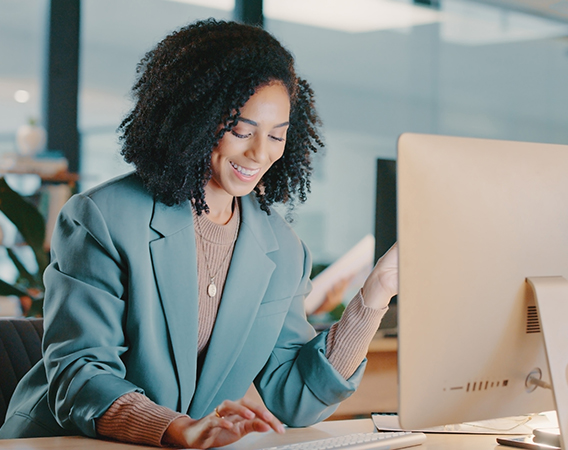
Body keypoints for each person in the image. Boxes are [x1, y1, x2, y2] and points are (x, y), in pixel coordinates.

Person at [0, 19, 398, 449]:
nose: (260, 153)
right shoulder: (102, 218)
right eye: (241, 131)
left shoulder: (282, 250)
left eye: (277, 136)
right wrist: (174, 428)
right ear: (196, 115)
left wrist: (376, 294)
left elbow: (293, 397)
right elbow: (80, 373)